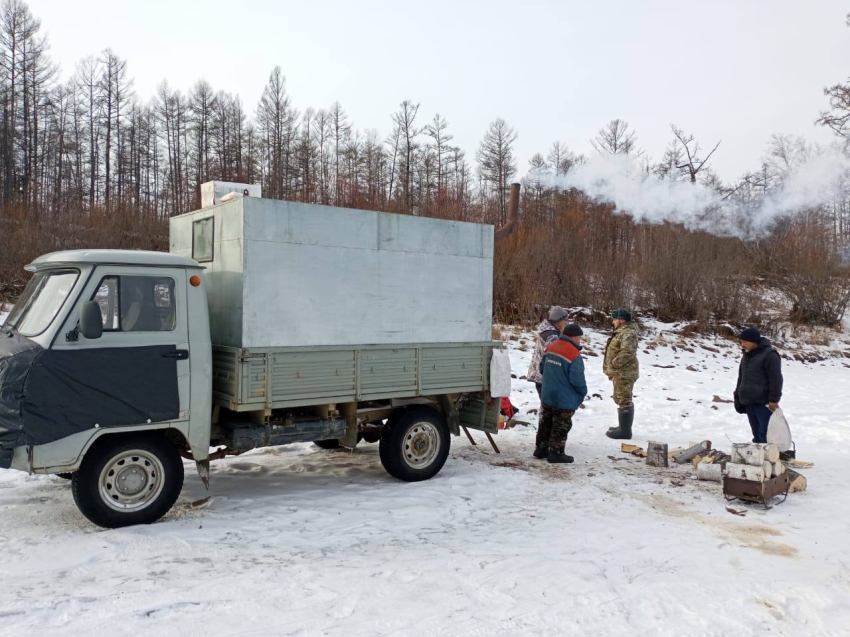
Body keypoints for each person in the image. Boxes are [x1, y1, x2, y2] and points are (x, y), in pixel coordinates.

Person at [534, 323, 587, 463]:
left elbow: (541, 368)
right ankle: (556, 453)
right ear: (574, 337)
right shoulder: (574, 354)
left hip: (547, 393)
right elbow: (577, 379)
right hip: (564, 398)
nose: (580, 340)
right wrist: (582, 392)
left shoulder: (551, 347)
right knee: (561, 425)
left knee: (545, 422)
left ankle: (541, 449)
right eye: (579, 337)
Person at [733, 327, 783, 444]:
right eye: (741, 341)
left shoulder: (770, 355)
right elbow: (741, 378)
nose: (742, 344)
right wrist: (738, 396)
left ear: (754, 341)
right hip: (749, 401)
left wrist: (774, 400)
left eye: (745, 341)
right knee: (756, 433)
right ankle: (759, 457)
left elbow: (776, 379)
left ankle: (770, 457)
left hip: (764, 403)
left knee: (765, 433)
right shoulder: (746, 356)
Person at [603, 307, 639, 440]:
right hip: (621, 372)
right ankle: (622, 427)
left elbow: (628, 352)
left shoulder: (628, 333)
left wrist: (613, 365)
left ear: (622, 320)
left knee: (624, 399)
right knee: (620, 398)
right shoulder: (621, 331)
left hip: (625, 372)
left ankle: (625, 431)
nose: (613, 322)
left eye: (614, 319)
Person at [527, 306, 569, 396]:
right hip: (546, 379)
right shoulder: (552, 336)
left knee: (546, 407)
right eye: (565, 320)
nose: (566, 323)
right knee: (550, 408)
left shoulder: (547, 331)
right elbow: (552, 360)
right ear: (558, 320)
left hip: (541, 377)